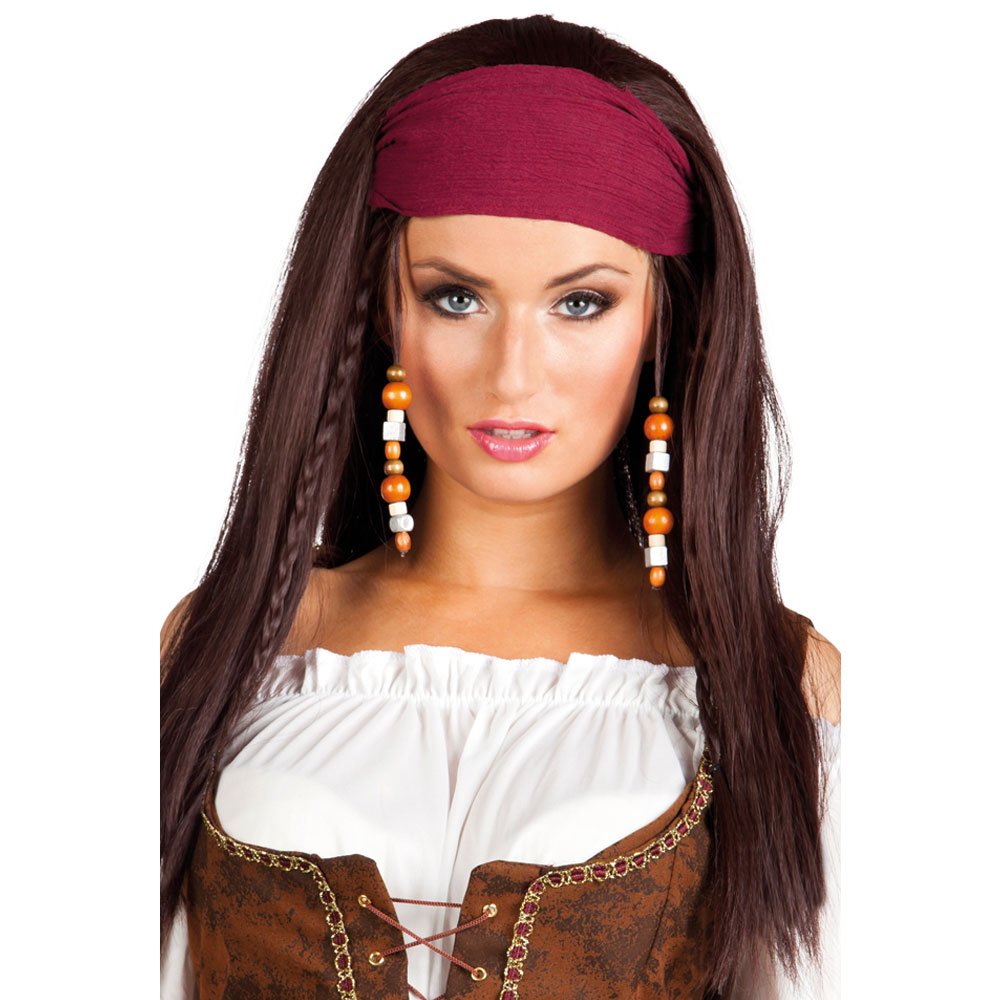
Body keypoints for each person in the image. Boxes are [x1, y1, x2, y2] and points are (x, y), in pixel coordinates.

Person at [160, 13, 841, 1000]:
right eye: (455, 297)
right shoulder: (229, 647)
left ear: (666, 317)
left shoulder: (771, 682)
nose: (513, 373)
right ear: (381, 306)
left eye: (580, 302)